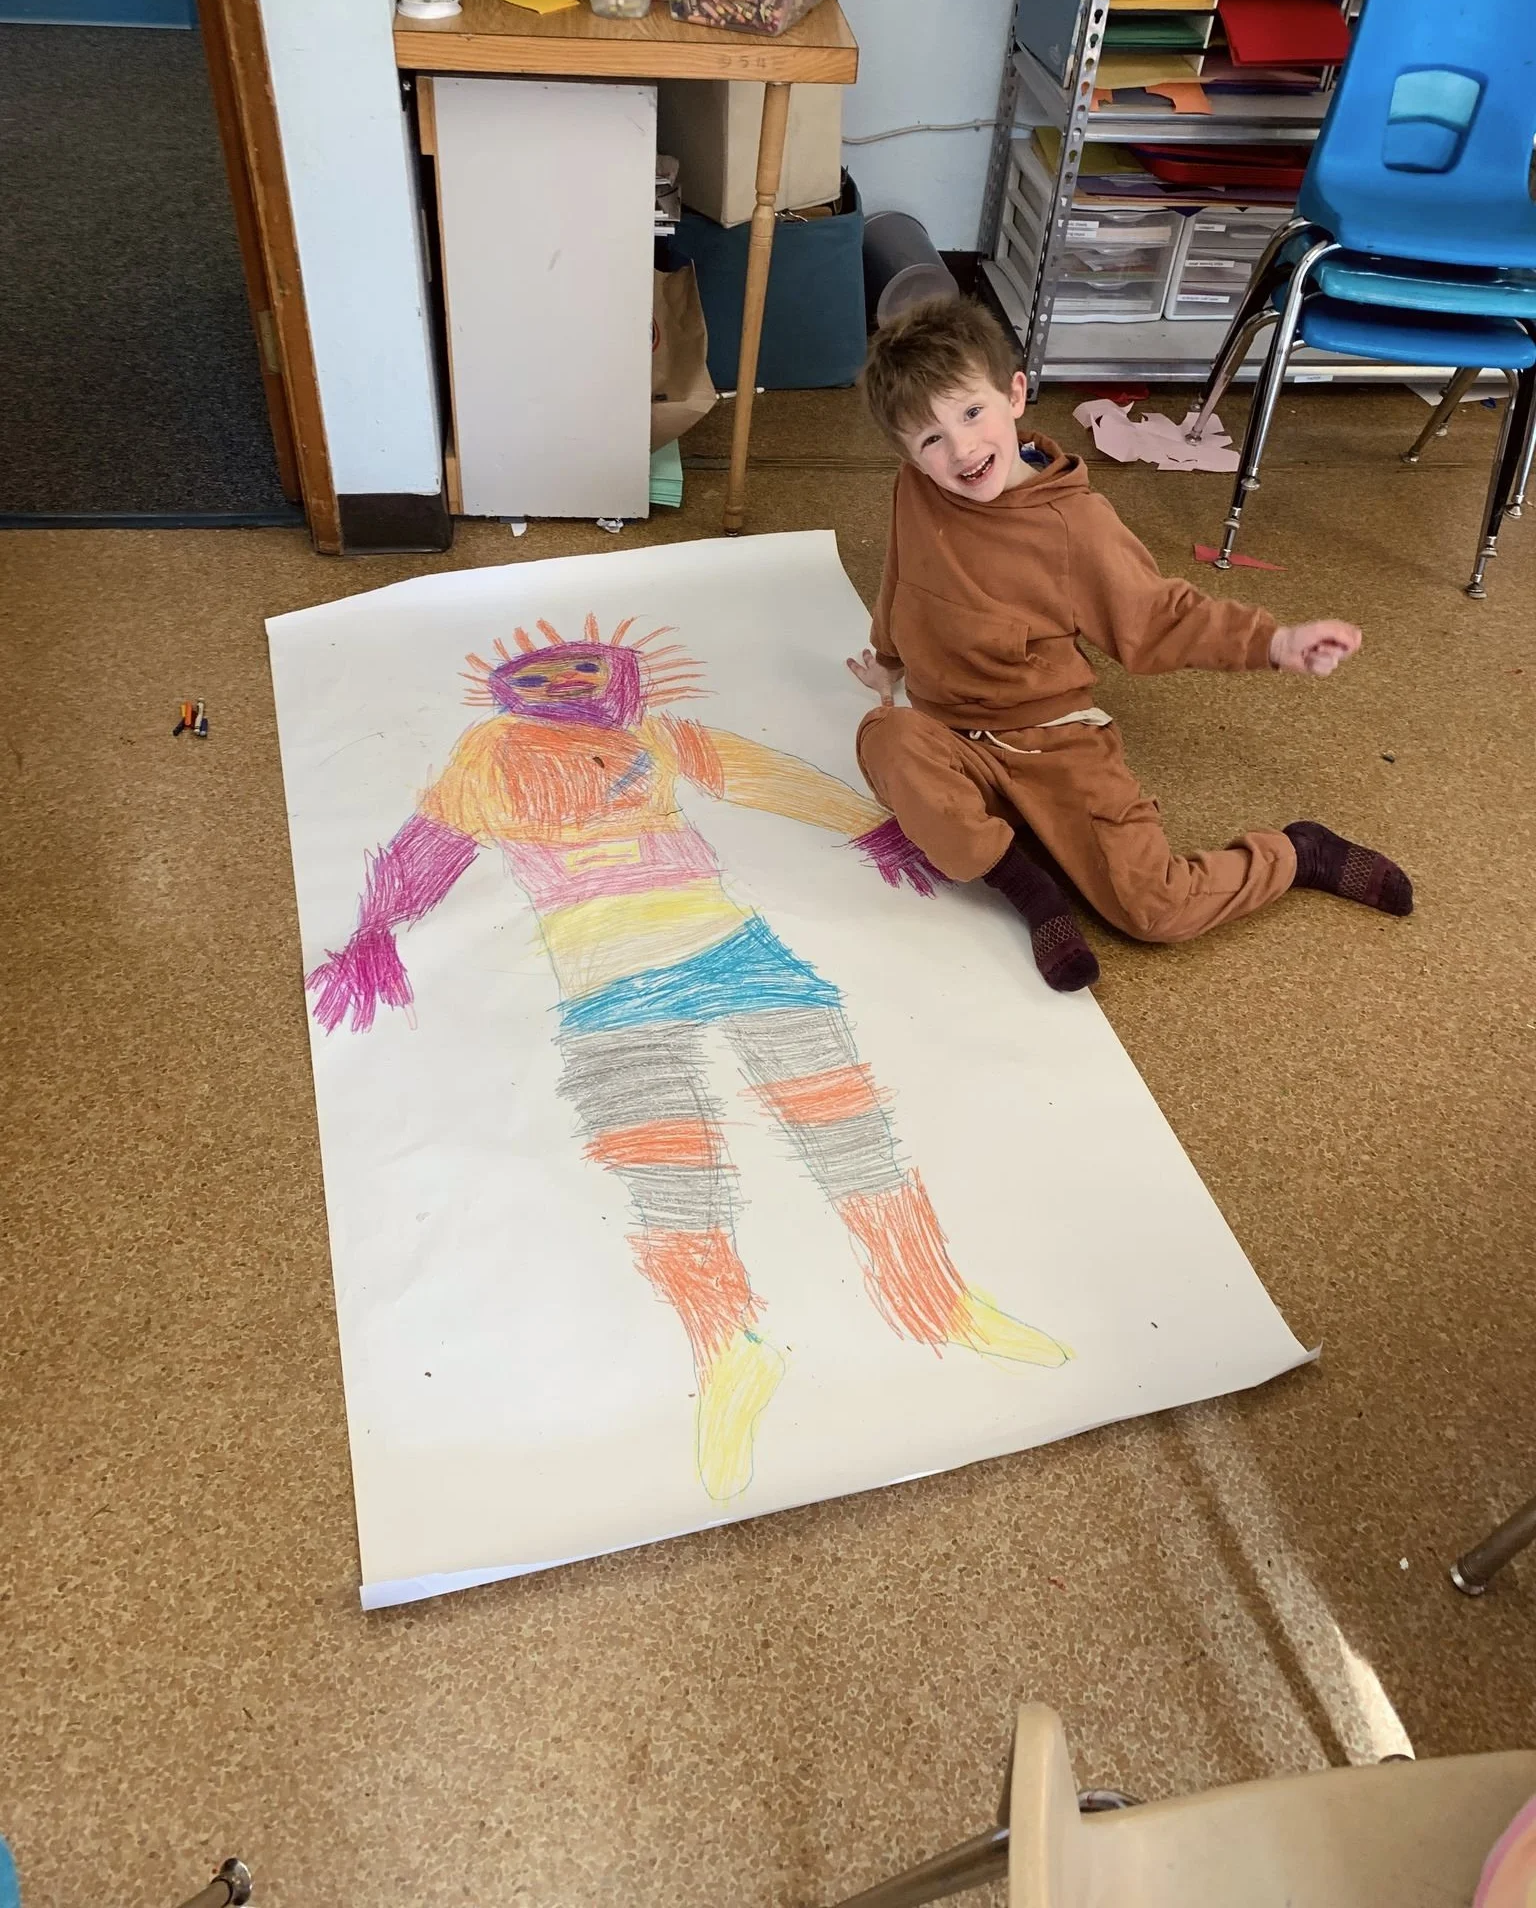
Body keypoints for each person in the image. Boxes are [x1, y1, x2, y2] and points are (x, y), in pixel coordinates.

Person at [307, 617, 1067, 1504]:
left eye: (580, 670)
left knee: (848, 1126)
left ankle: (936, 1299)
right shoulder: (487, 756)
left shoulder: (654, 736)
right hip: (609, 984)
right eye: (540, 680)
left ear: (616, 673)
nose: (564, 690)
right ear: (510, 694)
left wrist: (872, 826)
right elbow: (427, 847)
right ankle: (728, 1352)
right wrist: (373, 931)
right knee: (671, 1178)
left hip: (730, 949)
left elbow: (760, 773)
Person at [847, 299, 1412, 993]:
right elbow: (903, 575)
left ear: (1015, 394)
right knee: (887, 738)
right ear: (906, 454)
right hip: (953, 739)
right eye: (931, 438)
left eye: (971, 413)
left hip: (1052, 744)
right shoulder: (916, 488)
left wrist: (1274, 641)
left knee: (1154, 912)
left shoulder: (1076, 526)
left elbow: (1160, 616)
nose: (961, 449)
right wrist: (889, 660)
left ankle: (1298, 854)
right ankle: (1031, 891)